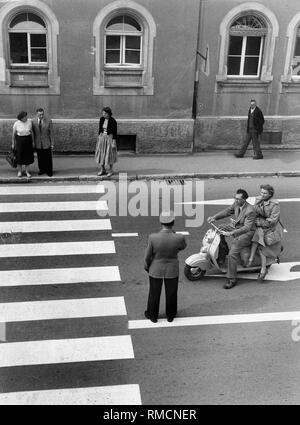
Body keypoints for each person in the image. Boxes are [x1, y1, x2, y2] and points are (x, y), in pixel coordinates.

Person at [207, 189, 256, 289]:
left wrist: (232, 233)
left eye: (238, 199)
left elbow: (247, 228)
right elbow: (227, 211)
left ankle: (232, 279)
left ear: (245, 199)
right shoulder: (237, 204)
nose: (236, 201)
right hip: (237, 227)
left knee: (232, 254)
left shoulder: (250, 210)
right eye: (235, 198)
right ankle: (222, 251)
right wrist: (214, 217)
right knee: (220, 229)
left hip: (247, 233)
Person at [144, 211, 187, 323]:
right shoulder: (179, 237)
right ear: (173, 222)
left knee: (154, 293)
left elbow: (147, 256)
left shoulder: (153, 237)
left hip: (156, 268)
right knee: (171, 293)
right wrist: (174, 233)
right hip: (172, 269)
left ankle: (152, 315)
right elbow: (182, 247)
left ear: (161, 222)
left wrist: (147, 266)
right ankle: (170, 315)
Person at [246, 184, 283, 282]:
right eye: (261, 192)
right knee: (248, 234)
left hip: (271, 228)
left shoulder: (275, 205)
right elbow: (253, 211)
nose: (262, 194)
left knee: (260, 244)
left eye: (265, 193)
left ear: (270, 194)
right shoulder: (258, 199)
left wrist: (260, 222)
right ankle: (251, 258)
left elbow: (273, 220)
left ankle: (262, 268)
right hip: (259, 224)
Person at [95, 107, 117, 177]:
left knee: (109, 154)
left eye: (104, 113)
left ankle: (110, 170)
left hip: (109, 138)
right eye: (103, 113)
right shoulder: (101, 119)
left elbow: (115, 132)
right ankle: (102, 169)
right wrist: (99, 137)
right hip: (102, 138)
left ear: (108, 113)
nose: (103, 114)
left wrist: (113, 142)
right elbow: (100, 129)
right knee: (101, 154)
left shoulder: (113, 121)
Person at [32, 108, 54, 177]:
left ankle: (49, 171)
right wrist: (33, 142)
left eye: (42, 114)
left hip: (47, 142)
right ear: (37, 114)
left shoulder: (49, 121)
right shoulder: (33, 121)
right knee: (40, 158)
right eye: (40, 115)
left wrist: (52, 143)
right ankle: (42, 170)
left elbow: (52, 133)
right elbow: (33, 133)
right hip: (38, 143)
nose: (41, 116)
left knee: (48, 158)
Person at [12, 111, 34, 178]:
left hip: (28, 140)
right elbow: (13, 134)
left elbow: (31, 132)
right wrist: (13, 143)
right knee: (19, 156)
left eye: (26, 116)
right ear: (21, 118)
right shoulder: (16, 124)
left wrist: (33, 142)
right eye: (25, 117)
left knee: (27, 156)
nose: (26, 117)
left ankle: (27, 171)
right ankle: (20, 171)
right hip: (19, 140)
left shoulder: (29, 122)